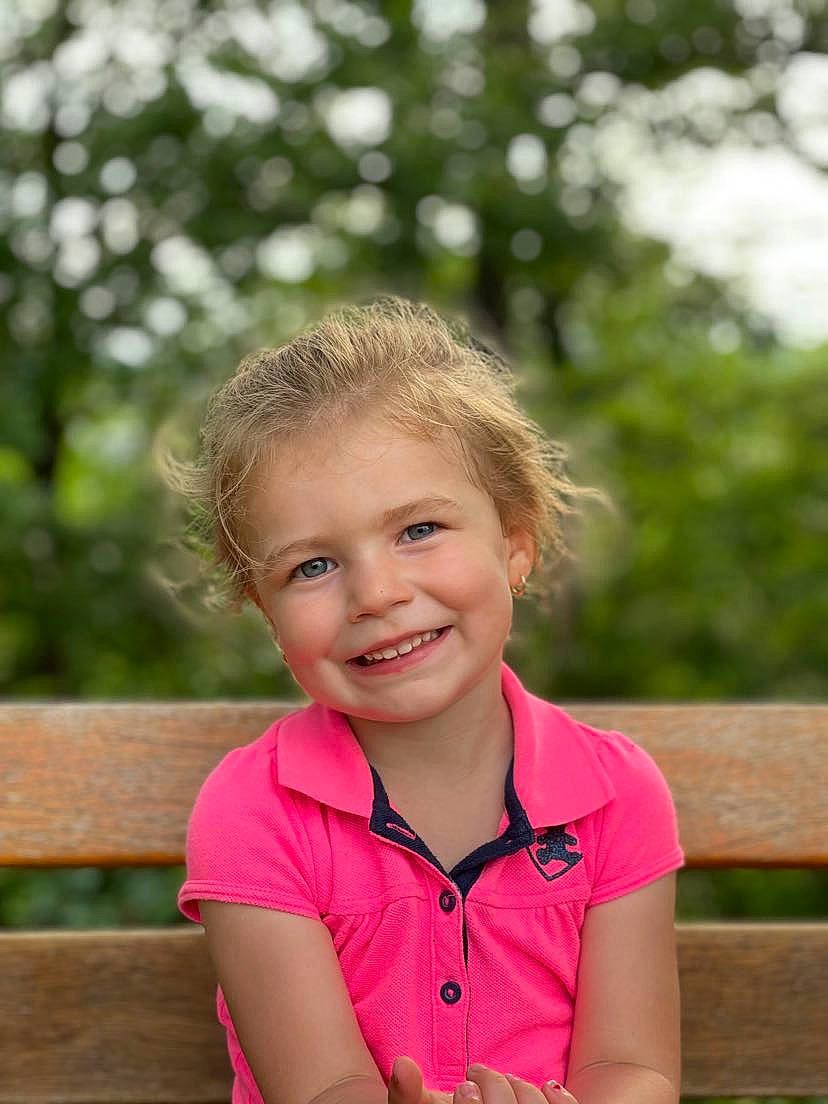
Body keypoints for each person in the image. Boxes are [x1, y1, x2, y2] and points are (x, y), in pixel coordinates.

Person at [175, 298, 684, 1104]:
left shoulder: (615, 794)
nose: (376, 594)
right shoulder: (252, 812)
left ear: (515, 542)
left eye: (418, 530)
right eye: (311, 567)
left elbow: (634, 1070)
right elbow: (325, 1088)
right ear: (267, 614)